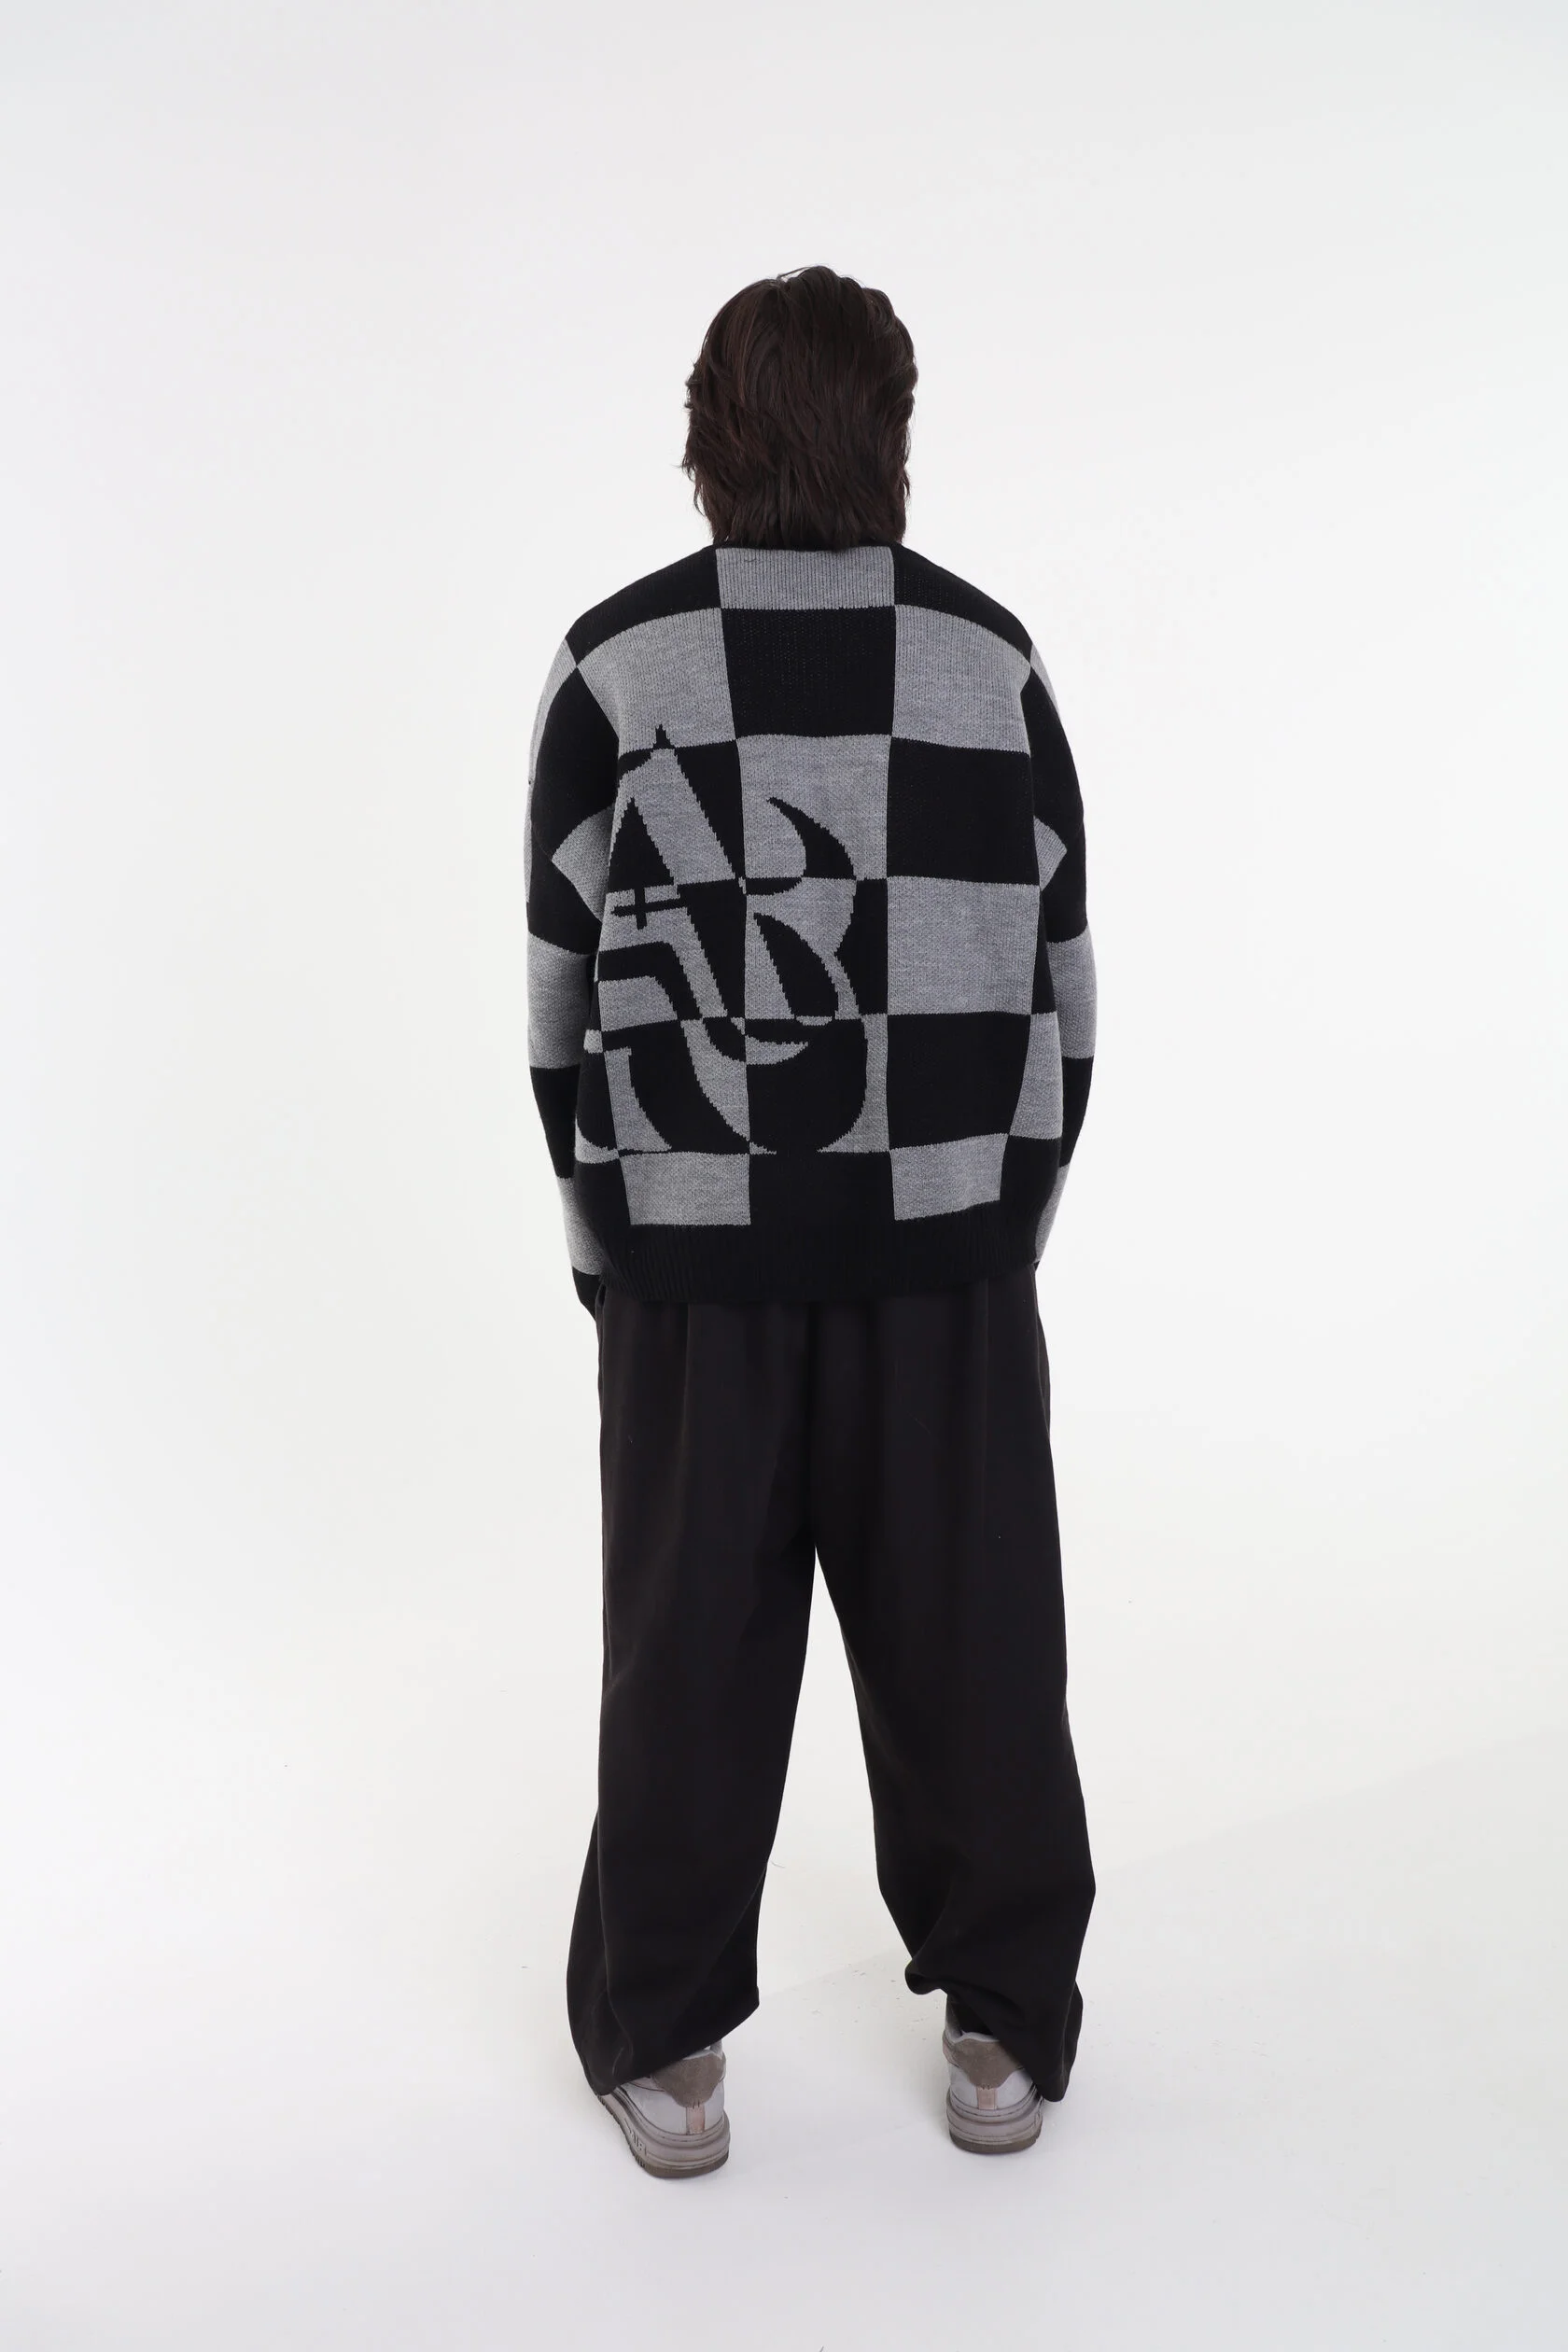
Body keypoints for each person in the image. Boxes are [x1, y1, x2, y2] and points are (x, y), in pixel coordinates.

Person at [525, 265, 1096, 2177]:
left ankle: (666, 2042)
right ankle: (1006, 2023)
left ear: (710, 433)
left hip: (692, 1268)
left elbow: (557, 1005)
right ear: (894, 433)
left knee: (686, 1656)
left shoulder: (618, 667)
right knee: (980, 1646)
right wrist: (999, 1223)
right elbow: (1067, 996)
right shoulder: (990, 664)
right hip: (946, 1259)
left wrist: (613, 1247)